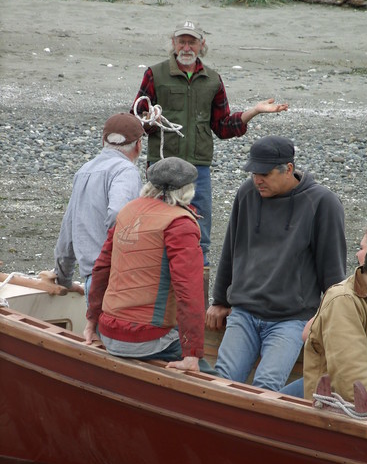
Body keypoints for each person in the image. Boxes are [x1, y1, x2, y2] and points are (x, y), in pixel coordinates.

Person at [130, 19, 289, 269]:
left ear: (201, 45)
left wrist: (254, 111)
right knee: (156, 227)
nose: (186, 47)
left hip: (199, 169)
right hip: (161, 165)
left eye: (192, 41)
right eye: (181, 41)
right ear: (173, 44)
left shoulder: (213, 80)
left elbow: (223, 126)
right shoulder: (155, 74)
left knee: (199, 232)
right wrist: (151, 120)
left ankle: (198, 285)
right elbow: (136, 119)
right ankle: (156, 283)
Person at [205, 135, 347, 391]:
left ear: (288, 169)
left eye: (264, 173)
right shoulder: (247, 193)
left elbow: (333, 273)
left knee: (266, 387)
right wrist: (220, 301)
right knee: (221, 382)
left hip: (291, 319)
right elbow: (231, 248)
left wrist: (329, 322)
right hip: (244, 312)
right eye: (253, 173)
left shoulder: (323, 203)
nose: (257, 179)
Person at [84, 157, 215, 374]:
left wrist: (91, 323)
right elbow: (189, 292)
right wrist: (192, 354)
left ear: (149, 185)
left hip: (107, 331)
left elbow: (101, 269)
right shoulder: (179, 223)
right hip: (147, 339)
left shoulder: (127, 211)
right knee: (212, 381)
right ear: (188, 189)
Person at [54, 113, 145, 302]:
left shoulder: (84, 170)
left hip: (91, 278)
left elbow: (68, 230)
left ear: (103, 140)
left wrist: (63, 278)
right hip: (116, 278)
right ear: (138, 145)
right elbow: (120, 213)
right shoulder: (126, 170)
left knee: (93, 331)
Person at [280, 225, 367, 399]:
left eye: (361, 249)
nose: (356, 254)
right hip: (332, 404)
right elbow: (355, 390)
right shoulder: (344, 300)